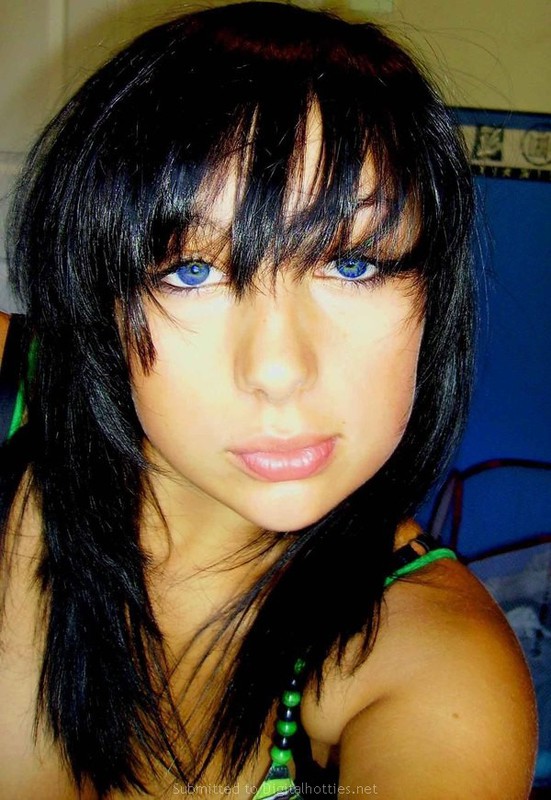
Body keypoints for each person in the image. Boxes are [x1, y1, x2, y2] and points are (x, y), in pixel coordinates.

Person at [0, 3, 536, 799]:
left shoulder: (434, 663)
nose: (279, 369)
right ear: (99, 295)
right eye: (190, 271)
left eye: (353, 264)